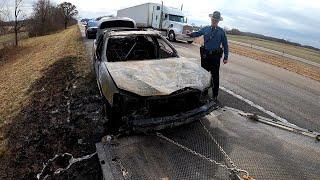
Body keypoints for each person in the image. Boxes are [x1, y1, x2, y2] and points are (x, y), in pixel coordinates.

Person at [187, 11, 229, 100]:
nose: (214, 21)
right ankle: (204, 92)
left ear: (218, 21)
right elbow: (197, 33)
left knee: (215, 76)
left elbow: (225, 45)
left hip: (215, 57)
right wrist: (190, 34)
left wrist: (226, 57)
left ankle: (215, 95)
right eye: (213, 19)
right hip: (205, 56)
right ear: (211, 19)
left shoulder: (221, 32)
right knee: (204, 75)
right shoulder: (206, 28)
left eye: (216, 20)